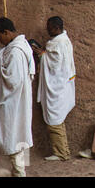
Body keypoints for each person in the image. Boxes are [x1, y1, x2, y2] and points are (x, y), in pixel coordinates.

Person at [0, 17, 35, 177]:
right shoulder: (14, 48)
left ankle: (20, 173)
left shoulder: (16, 52)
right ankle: (20, 171)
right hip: (18, 104)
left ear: (6, 32)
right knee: (20, 137)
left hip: (12, 104)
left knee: (14, 137)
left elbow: (13, 81)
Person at [32, 16, 76, 161]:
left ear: (57, 28)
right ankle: (63, 151)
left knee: (54, 119)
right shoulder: (62, 41)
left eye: (49, 27)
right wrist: (44, 54)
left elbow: (56, 65)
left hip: (57, 87)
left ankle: (62, 153)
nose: (47, 30)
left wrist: (42, 55)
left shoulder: (58, 43)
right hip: (62, 85)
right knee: (57, 120)